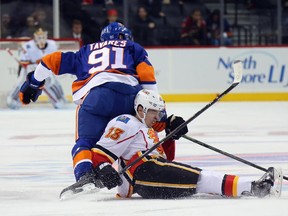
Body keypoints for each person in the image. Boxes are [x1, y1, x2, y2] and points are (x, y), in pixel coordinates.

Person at [19, 22, 165, 182]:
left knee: (85, 142)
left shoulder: (86, 51)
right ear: (125, 37)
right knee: (129, 139)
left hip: (95, 98)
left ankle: (84, 176)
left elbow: (50, 60)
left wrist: (34, 82)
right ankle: (136, 172)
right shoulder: (133, 47)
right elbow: (147, 76)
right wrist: (160, 113)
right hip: (128, 98)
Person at [78, 89, 278, 199]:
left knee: (199, 179)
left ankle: (251, 187)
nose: (157, 116)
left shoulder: (149, 130)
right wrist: (104, 168)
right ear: (140, 109)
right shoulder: (126, 122)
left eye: (159, 112)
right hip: (142, 174)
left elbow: (167, 160)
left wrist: (171, 135)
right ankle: (254, 188)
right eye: (153, 112)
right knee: (200, 178)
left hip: (152, 172)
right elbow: (101, 151)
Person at [7, 28, 66, 109]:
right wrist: (31, 63)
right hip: (29, 67)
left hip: (45, 66)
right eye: (39, 37)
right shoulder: (28, 46)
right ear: (35, 37)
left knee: (52, 82)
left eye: (43, 37)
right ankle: (12, 99)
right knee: (22, 82)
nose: (41, 40)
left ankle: (59, 98)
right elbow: (24, 62)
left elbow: (55, 59)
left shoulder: (52, 45)